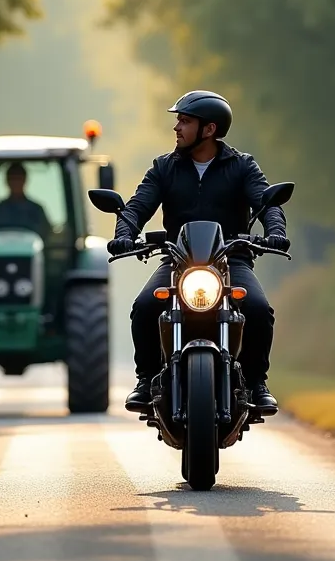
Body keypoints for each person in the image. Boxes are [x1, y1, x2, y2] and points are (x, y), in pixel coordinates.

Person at [108, 90, 290, 416]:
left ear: (209, 129)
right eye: (178, 120)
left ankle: (256, 383)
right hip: (178, 259)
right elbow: (137, 208)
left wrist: (276, 232)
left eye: (185, 121)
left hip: (230, 258)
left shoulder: (242, 166)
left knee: (259, 309)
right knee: (145, 305)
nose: (177, 127)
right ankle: (147, 379)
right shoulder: (164, 167)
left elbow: (266, 202)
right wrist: (124, 234)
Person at [0, 162, 53, 239]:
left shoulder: (36, 210)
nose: (15, 182)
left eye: (18, 178)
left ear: (25, 180)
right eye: (12, 179)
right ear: (7, 181)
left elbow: (48, 239)